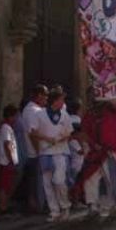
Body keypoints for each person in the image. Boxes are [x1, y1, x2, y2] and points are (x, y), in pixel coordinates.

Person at [75, 97, 116, 220]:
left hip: (110, 153)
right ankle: (92, 206)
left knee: (112, 180)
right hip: (95, 153)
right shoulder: (89, 115)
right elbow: (84, 133)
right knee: (89, 180)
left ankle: (114, 207)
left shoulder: (111, 110)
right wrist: (93, 144)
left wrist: (108, 93)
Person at [31, 86, 73, 222]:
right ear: (55, 101)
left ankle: (65, 206)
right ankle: (54, 211)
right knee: (47, 183)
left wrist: (62, 137)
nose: (63, 102)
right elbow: (33, 132)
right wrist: (47, 139)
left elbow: (69, 132)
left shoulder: (65, 115)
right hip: (45, 151)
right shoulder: (40, 114)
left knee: (59, 180)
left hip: (60, 152)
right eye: (61, 99)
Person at [20, 84, 48, 212]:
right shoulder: (33, 111)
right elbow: (33, 133)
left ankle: (36, 204)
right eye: (45, 95)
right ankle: (37, 205)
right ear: (39, 96)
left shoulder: (31, 109)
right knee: (37, 181)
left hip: (34, 152)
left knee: (33, 181)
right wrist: (39, 151)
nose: (47, 99)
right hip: (35, 152)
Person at [0, 104, 20, 213]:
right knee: (4, 186)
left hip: (7, 161)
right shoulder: (6, 127)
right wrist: (11, 160)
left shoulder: (7, 127)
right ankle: (3, 206)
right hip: (6, 162)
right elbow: (7, 144)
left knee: (7, 185)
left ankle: (5, 205)